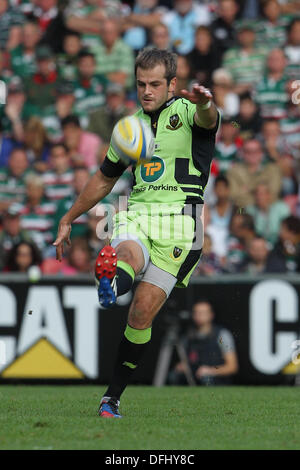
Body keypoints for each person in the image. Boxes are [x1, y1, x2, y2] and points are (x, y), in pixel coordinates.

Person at [53, 47, 220, 418]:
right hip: (139, 212)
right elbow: (104, 179)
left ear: (172, 84)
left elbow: (210, 120)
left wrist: (206, 102)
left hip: (181, 223)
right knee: (126, 252)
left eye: (155, 84)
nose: (147, 91)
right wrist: (69, 217)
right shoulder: (129, 128)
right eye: (141, 84)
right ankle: (112, 283)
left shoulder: (190, 111)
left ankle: (111, 398)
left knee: (141, 314)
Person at [169, 300, 238, 385]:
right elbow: (187, 361)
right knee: (174, 376)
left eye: (202, 313)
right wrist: (183, 366)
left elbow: (232, 367)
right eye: (196, 313)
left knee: (206, 378)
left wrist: (211, 371)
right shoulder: (188, 336)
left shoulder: (222, 335)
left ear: (211, 315)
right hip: (193, 379)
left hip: (215, 381)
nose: (199, 315)